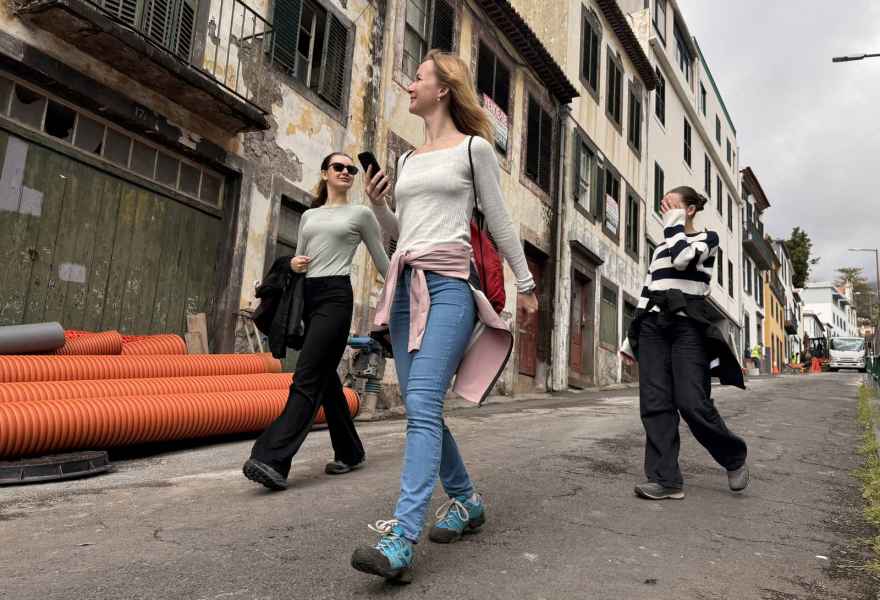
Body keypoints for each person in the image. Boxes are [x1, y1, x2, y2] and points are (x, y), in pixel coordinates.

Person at [349, 50, 538, 582]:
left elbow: (500, 221)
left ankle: (401, 539)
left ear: (444, 89)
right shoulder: (409, 160)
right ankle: (467, 500)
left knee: (423, 406)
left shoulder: (474, 149)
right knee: (421, 406)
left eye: (418, 78)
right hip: (405, 290)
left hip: (450, 288)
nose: (410, 85)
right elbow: (400, 234)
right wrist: (379, 204)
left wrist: (525, 284)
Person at [242, 152, 389, 490]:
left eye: (351, 169)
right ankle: (350, 451)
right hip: (307, 296)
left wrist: (408, 294)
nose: (346, 172)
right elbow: (300, 258)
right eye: (338, 167)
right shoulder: (309, 216)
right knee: (324, 378)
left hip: (336, 297)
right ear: (325, 173)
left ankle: (272, 458)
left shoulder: (361, 214)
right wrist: (291, 264)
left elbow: (383, 262)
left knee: (306, 376)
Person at [621, 186, 749, 501]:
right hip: (652, 326)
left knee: (692, 402)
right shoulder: (660, 248)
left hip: (688, 325)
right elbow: (648, 290)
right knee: (655, 403)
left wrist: (672, 225)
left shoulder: (706, 240)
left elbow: (681, 260)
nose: (664, 208)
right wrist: (630, 340)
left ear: (689, 210)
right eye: (663, 205)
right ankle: (665, 480)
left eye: (672, 204)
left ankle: (733, 456)